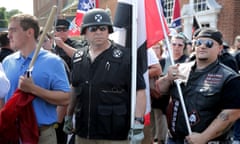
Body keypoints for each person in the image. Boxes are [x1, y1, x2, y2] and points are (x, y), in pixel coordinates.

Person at [63, 8, 146, 144]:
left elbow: (140, 91)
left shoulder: (126, 57)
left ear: (109, 31)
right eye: (93, 29)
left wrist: (138, 123)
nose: (99, 32)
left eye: (103, 28)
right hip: (84, 131)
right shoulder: (78, 57)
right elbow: (74, 87)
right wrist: (68, 115)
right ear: (85, 32)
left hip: (114, 133)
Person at [156, 28, 240, 143]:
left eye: (209, 43)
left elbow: (232, 113)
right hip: (174, 139)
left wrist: (204, 137)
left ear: (220, 49)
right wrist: (167, 78)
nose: (202, 46)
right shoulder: (180, 68)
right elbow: (158, 90)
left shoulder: (229, 77)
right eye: (199, 42)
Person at [2, 13, 71, 143]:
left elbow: (66, 98)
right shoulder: (7, 62)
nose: (8, 35)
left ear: (29, 32)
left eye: (13, 30)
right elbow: (3, 97)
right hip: (11, 134)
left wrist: (34, 89)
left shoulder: (53, 62)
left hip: (41, 136)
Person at [53, 18, 85, 144]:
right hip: (53, 93)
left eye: (64, 29)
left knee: (68, 132)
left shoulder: (76, 44)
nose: (61, 32)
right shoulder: (50, 46)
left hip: (71, 91)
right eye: (58, 29)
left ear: (68, 30)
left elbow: (81, 56)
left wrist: (62, 45)